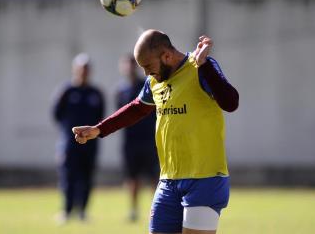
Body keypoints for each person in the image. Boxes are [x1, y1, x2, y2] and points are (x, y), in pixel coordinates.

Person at [72, 30, 239, 234]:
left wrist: (205, 66)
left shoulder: (201, 67)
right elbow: (137, 108)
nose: (145, 73)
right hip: (168, 181)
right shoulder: (155, 80)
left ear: (166, 56)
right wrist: (99, 129)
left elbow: (231, 103)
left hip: (204, 179)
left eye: (148, 67)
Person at [52, 53, 104, 223]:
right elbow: (57, 115)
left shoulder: (95, 93)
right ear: (75, 70)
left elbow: (100, 118)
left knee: (87, 178)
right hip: (69, 144)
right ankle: (67, 211)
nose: (84, 72)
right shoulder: (67, 91)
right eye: (81, 69)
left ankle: (83, 211)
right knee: (68, 178)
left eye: (87, 69)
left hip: (89, 145)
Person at [116, 54, 159, 222]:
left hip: (149, 140)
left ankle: (156, 209)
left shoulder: (147, 86)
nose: (130, 68)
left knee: (153, 177)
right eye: (127, 65)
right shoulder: (120, 90)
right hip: (130, 143)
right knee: (132, 178)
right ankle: (133, 210)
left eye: (133, 65)